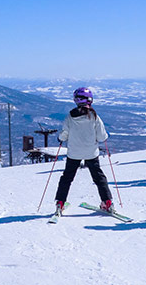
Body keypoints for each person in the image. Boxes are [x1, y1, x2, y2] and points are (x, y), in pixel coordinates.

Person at [54, 87, 114, 215]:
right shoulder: (94, 116)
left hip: (73, 153)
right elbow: (102, 137)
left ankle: (60, 203)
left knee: (67, 178)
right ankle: (107, 202)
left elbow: (64, 134)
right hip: (91, 153)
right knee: (99, 177)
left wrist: (60, 138)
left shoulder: (70, 116)